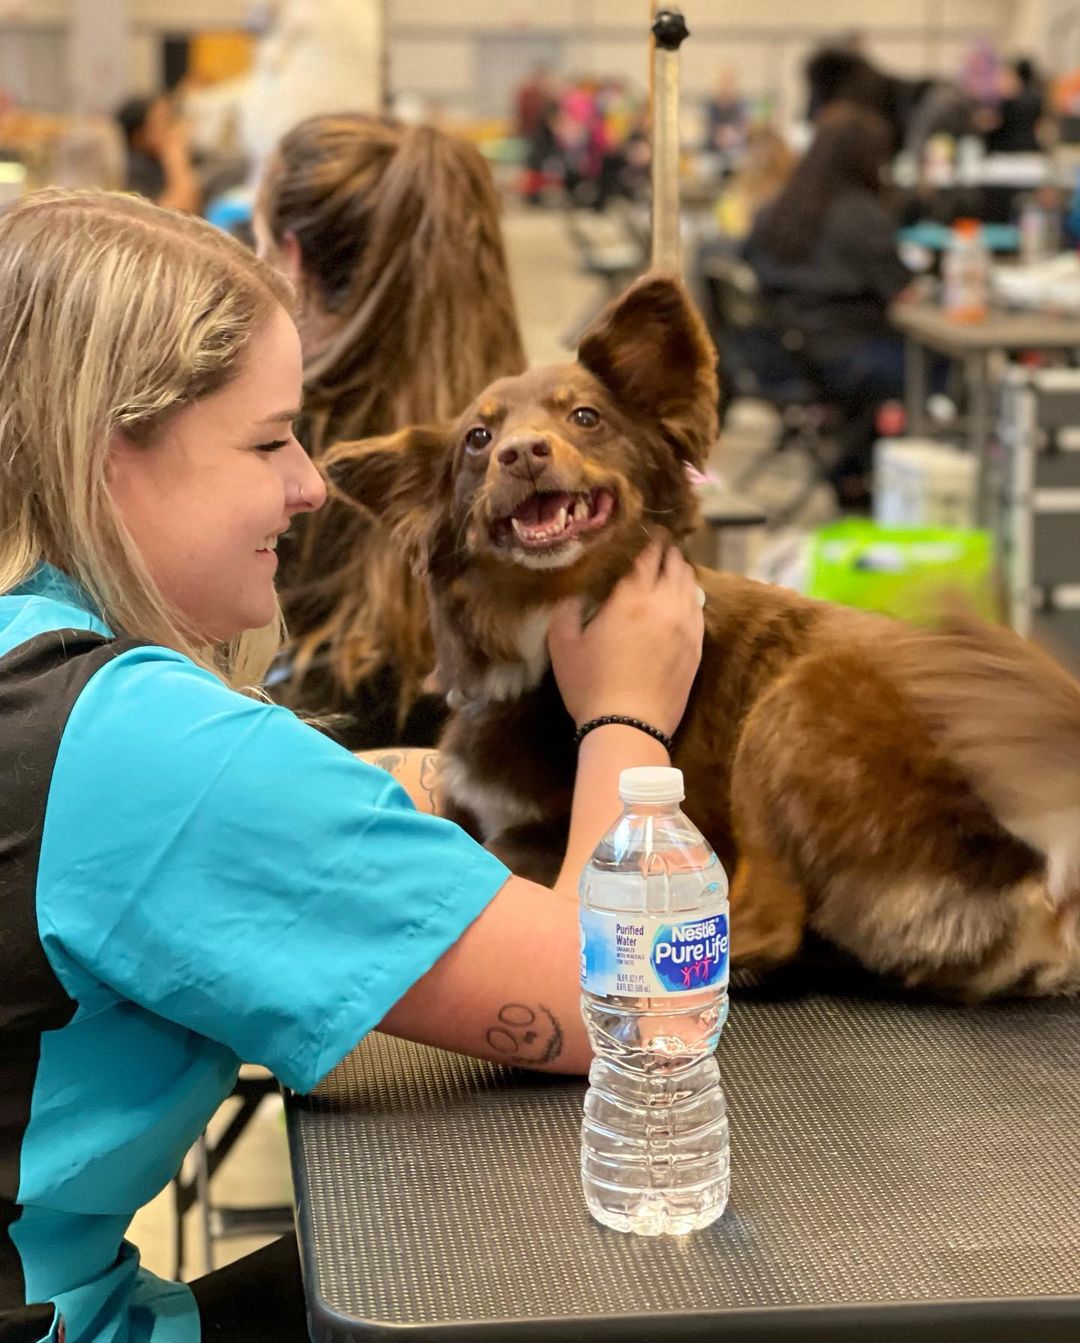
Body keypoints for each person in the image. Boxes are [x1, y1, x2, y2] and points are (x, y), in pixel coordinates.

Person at [0, 187, 703, 1343]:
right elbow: (621, 1012)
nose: (313, 485)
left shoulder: (36, 666)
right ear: (108, 452)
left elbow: (176, 827)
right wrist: (629, 713)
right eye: (269, 439)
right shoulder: (143, 745)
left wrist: (450, 781)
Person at [253, 114, 527, 750]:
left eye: (259, 244)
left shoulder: (277, 447)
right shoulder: (527, 444)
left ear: (291, 265)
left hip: (311, 783)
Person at [742, 104, 914, 506]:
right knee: (939, 371)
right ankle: (871, 474)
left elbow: (746, 262)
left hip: (786, 357)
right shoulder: (864, 218)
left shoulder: (776, 211)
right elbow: (902, 290)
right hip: (850, 361)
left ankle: (850, 469)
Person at [115, 93, 201, 213]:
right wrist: (176, 159)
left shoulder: (164, 159)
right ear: (138, 137)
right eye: (164, 122)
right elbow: (172, 218)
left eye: (173, 119)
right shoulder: (133, 170)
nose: (174, 129)